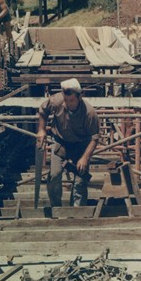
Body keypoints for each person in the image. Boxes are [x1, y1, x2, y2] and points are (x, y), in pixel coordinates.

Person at [36, 79, 100, 207]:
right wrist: (41, 130)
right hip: (61, 143)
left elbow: (94, 138)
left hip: (81, 146)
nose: (69, 103)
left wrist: (84, 158)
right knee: (54, 175)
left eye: (72, 101)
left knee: (80, 180)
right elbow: (43, 110)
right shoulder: (57, 100)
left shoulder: (89, 113)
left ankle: (77, 211)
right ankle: (56, 207)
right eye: (66, 100)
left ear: (79, 97)